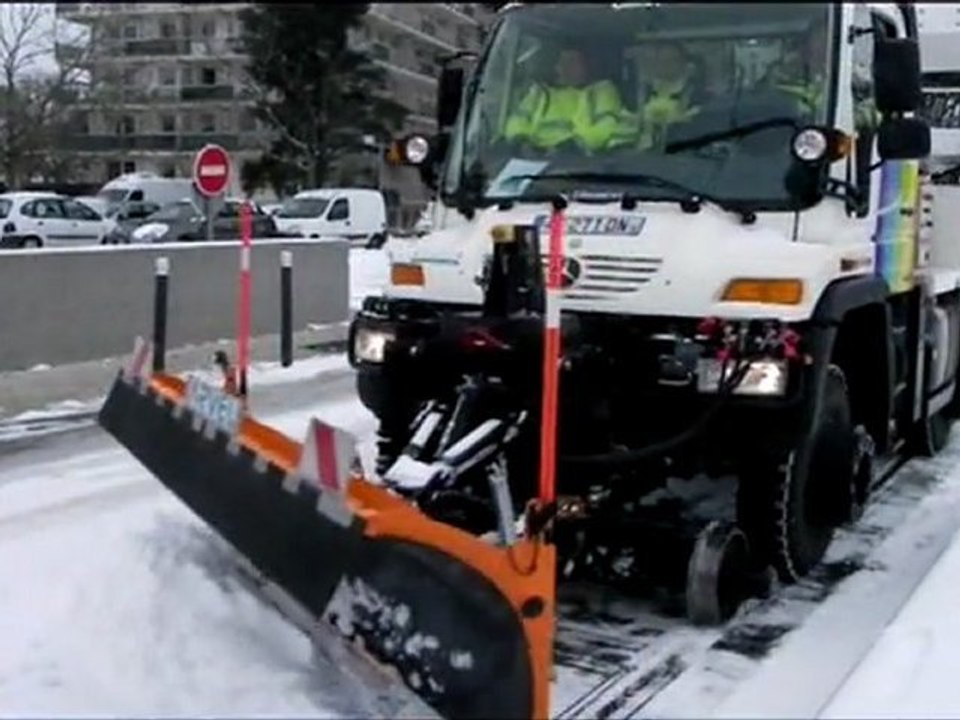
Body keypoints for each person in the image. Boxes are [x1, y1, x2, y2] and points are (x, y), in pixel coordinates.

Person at [503, 45, 638, 153]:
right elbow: (518, 119)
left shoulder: (602, 91)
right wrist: (520, 139)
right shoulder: (540, 92)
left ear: (587, 66)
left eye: (571, 62)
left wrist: (576, 144)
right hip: (535, 159)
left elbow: (606, 127)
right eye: (561, 62)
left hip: (576, 160)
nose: (563, 67)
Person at [636, 42, 703, 149]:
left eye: (672, 60)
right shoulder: (644, 91)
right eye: (661, 60)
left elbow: (698, 126)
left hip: (680, 151)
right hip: (642, 153)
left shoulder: (698, 94)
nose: (666, 65)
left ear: (683, 62)